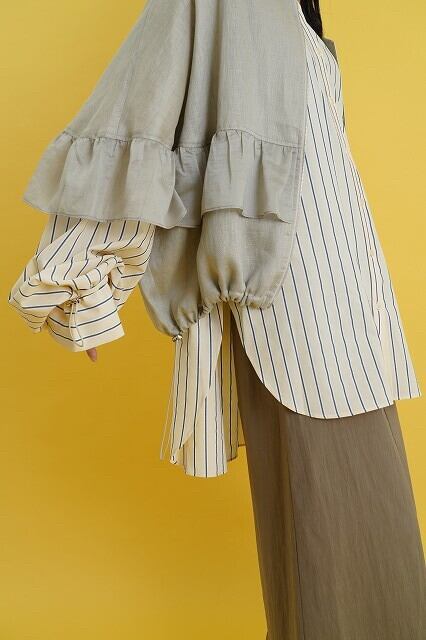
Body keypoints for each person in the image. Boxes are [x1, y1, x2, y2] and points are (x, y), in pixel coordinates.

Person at [8, 1, 425, 637]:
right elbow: (139, 101)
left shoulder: (296, 11)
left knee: (357, 541)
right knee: (337, 545)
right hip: (293, 313)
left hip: (353, 309)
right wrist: (81, 271)